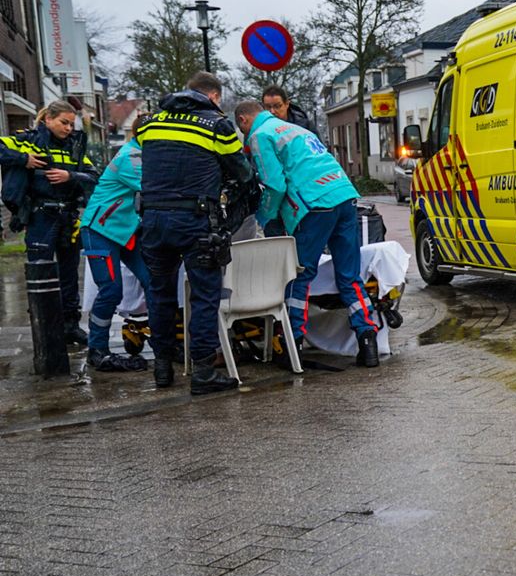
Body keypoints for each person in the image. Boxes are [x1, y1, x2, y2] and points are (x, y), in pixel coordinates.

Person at [233, 100, 380, 368]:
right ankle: (367, 339)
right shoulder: (296, 129)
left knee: (298, 276)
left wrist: (264, 218)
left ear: (243, 120)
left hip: (315, 205)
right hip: (345, 197)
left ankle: (293, 344)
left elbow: (274, 185)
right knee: (349, 276)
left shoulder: (259, 135)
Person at [137, 72, 257, 395]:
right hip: (195, 220)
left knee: (159, 294)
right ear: (213, 97)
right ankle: (203, 371)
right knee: (204, 294)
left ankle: (162, 368)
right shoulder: (217, 125)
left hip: (152, 220)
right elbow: (242, 172)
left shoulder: (150, 123)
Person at [0, 100, 98, 346]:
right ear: (48, 119)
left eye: (71, 124)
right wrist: (23, 159)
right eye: (63, 122)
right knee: (40, 272)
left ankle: (70, 326)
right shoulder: (28, 140)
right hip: (40, 216)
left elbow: (94, 175)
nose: (68, 128)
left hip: (68, 217)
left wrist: (71, 175)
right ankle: (44, 329)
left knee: (69, 275)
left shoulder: (75, 147)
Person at [78, 115, 152, 371]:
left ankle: (163, 343)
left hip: (125, 231)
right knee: (110, 290)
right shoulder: (130, 157)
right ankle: (97, 350)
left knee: (153, 281)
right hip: (100, 229)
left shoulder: (144, 154)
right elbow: (153, 188)